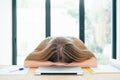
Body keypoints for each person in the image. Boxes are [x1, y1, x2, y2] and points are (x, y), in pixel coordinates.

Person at [24, 36, 97, 68]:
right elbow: (27, 63)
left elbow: (93, 62)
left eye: (65, 60)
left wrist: (69, 65)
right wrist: (53, 63)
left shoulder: (77, 42)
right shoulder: (45, 43)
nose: (61, 62)